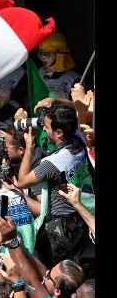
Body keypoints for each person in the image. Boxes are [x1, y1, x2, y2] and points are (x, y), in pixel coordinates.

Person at [13, 104, 93, 266]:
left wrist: (29, 147)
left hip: (60, 230)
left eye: (47, 127)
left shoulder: (53, 163)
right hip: (80, 221)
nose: (43, 129)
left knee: (57, 271)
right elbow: (73, 107)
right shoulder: (78, 137)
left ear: (59, 132)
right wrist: (53, 100)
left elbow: (21, 181)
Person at [36, 33, 81, 100]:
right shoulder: (39, 72)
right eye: (40, 53)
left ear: (59, 55)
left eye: (47, 54)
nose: (42, 57)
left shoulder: (74, 79)